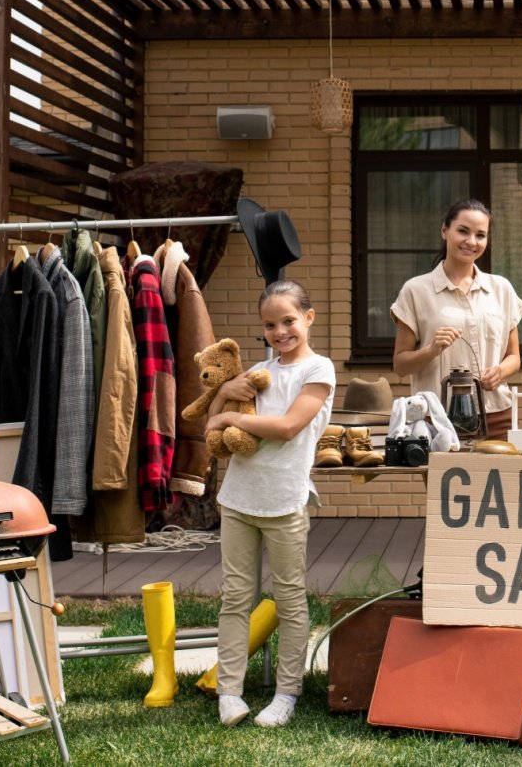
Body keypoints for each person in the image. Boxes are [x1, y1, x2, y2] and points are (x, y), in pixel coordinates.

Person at [206, 279, 335, 728]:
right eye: (270, 325)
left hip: (284, 501)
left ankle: (286, 693)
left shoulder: (318, 370)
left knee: (289, 600)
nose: (280, 331)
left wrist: (229, 413)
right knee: (236, 599)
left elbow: (286, 427)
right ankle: (230, 692)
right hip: (239, 499)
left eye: (288, 321)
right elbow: (213, 431)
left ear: (309, 318)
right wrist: (224, 394)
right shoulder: (256, 374)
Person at [391, 199, 522, 441]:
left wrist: (500, 371)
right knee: (446, 481)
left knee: (500, 480)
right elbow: (400, 365)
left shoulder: (501, 289)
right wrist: (431, 350)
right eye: (463, 231)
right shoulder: (416, 290)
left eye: (481, 235)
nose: (472, 242)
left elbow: (514, 357)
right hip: (437, 419)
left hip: (496, 416)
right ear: (445, 231)